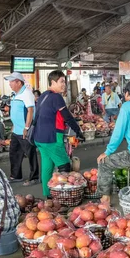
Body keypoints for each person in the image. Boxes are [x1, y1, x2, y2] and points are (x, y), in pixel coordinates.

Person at [33, 70, 84, 198]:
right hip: (52, 137)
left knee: (47, 166)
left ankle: (48, 195)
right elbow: (67, 116)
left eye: (65, 82)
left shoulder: (43, 95)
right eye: (61, 81)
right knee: (64, 166)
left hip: (39, 137)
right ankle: (62, 195)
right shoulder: (56, 97)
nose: (64, 84)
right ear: (53, 82)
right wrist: (78, 131)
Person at [6, 72, 39, 186]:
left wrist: (26, 127)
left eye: (11, 82)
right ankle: (16, 175)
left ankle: (34, 177)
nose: (9, 84)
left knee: (30, 153)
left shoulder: (26, 93)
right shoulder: (16, 94)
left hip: (24, 131)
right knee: (14, 153)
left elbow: (30, 111)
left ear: (19, 82)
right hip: (16, 131)